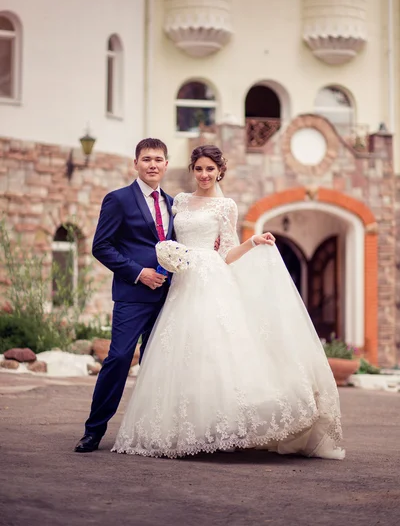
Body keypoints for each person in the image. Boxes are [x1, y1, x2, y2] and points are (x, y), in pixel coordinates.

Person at [112, 145, 345, 460]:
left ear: (220, 171)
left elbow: (227, 252)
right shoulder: (178, 201)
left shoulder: (225, 206)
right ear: (192, 170)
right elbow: (166, 237)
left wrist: (253, 241)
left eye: (210, 169)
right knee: (181, 353)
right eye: (199, 168)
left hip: (211, 278)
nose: (204, 175)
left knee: (216, 348)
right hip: (182, 282)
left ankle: (222, 427)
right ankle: (183, 428)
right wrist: (168, 254)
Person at [74, 138, 174, 453]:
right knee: (118, 358)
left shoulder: (173, 203)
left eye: (158, 159)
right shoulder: (118, 200)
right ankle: (94, 430)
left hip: (170, 297)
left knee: (159, 363)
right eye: (146, 159)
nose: (153, 165)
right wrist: (137, 272)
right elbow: (101, 246)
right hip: (133, 294)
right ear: (136, 164)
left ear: (166, 164)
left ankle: (155, 430)